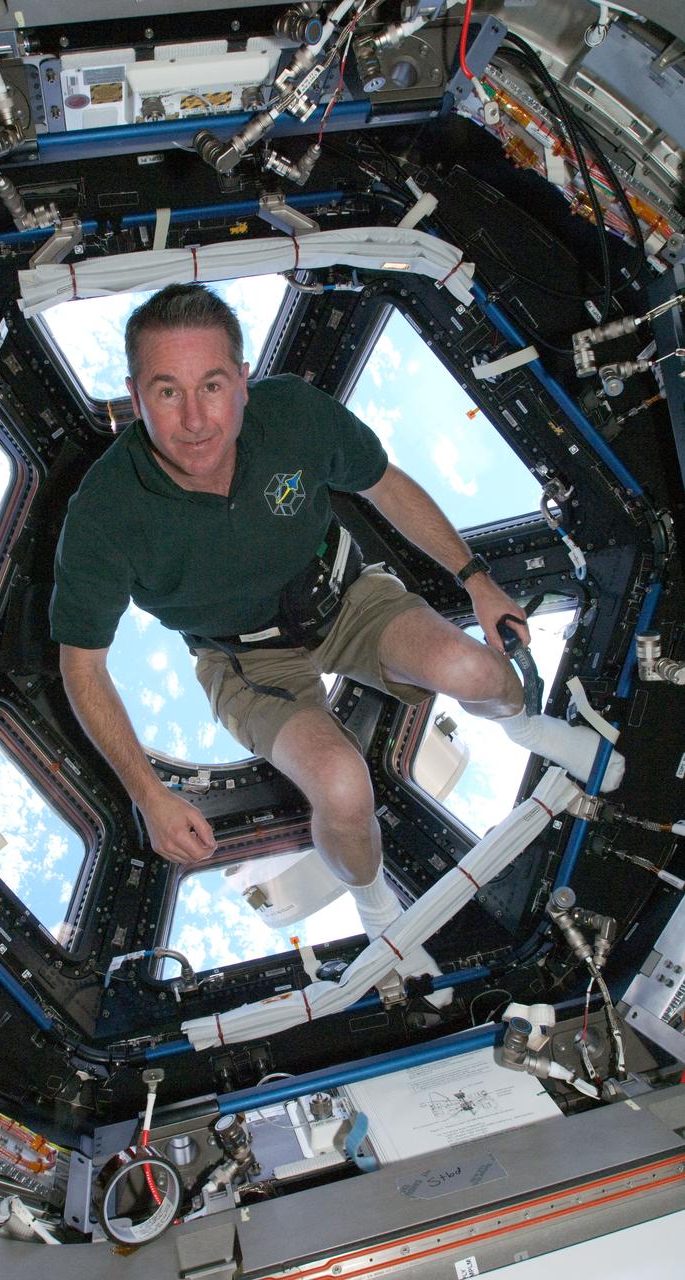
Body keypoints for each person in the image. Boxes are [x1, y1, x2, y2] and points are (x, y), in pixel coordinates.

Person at [51, 283, 623, 968]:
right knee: (344, 788)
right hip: (245, 660)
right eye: (167, 391)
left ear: (243, 381)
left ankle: (528, 730)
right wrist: (148, 794)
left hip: (343, 593)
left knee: (479, 673)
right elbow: (81, 666)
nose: (196, 419)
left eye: (213, 385)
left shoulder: (292, 414)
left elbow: (384, 482)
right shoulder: (104, 515)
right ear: (134, 396)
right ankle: (376, 904)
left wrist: (476, 580)